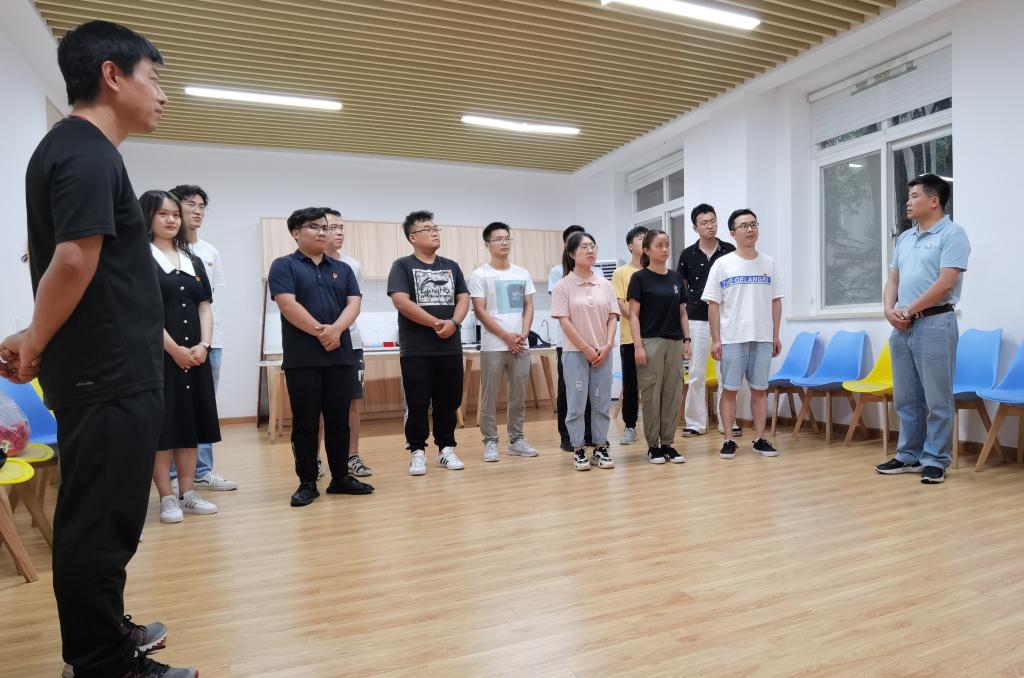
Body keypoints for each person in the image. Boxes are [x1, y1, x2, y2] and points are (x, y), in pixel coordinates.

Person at [0, 20, 198, 677]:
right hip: (107, 374)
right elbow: (71, 261)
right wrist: (35, 340)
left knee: (105, 516)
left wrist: (33, 335)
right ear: (112, 75)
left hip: (107, 369)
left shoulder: (78, 151)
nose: (161, 94)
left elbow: (79, 263)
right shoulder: (86, 151)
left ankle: (105, 631)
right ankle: (100, 661)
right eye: (153, 77)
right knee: (99, 522)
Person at [268, 207, 374, 506]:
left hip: (340, 356)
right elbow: (287, 305)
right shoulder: (284, 265)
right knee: (306, 423)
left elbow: (354, 303)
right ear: (296, 232)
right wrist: (322, 333)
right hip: (303, 358)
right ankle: (307, 482)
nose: (323, 232)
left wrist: (336, 330)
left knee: (339, 420)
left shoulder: (343, 269)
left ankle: (340, 477)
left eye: (325, 227)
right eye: (314, 227)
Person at [876, 174, 969, 485]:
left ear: (934, 201)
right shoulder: (905, 238)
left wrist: (908, 309)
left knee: (937, 399)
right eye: (908, 196)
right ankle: (908, 455)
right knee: (906, 397)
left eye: (914, 196)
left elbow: (946, 283)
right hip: (902, 326)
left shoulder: (952, 234)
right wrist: (889, 310)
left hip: (936, 323)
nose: (908, 201)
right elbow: (893, 280)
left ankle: (936, 459)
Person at [144, 190, 221, 524]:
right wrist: (174, 350)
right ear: (147, 217)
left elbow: (205, 306)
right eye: (163, 214)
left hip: (195, 355)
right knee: (163, 429)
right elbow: (144, 313)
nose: (172, 219)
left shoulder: (193, 259)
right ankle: (166, 497)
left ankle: (188, 493)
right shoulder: (140, 259)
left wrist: (204, 345)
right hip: (159, 357)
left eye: (175, 214)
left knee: (189, 424)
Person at [166, 184, 238, 492]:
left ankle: (203, 470)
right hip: (172, 341)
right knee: (174, 407)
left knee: (205, 405)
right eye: (190, 204)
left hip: (210, 340)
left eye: (202, 206)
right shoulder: (159, 251)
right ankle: (174, 475)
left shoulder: (209, 252)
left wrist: (206, 342)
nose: (197, 211)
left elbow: (207, 301)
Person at [387, 210, 470, 475]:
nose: (435, 233)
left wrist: (453, 323)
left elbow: (463, 298)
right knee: (417, 402)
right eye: (428, 229)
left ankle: (446, 449)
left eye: (436, 229)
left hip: (449, 346)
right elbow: (401, 301)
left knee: (449, 401)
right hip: (416, 349)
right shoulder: (402, 265)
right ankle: (417, 452)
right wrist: (436, 323)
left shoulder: (451, 266)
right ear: (413, 237)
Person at [703, 209, 783, 460]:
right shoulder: (722, 264)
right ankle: (728, 440)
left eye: (753, 224)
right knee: (730, 390)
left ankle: (759, 439)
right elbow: (713, 304)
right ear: (732, 233)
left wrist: (776, 335)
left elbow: (776, 301)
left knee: (759, 390)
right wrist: (716, 339)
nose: (750, 229)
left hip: (762, 337)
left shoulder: (769, 263)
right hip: (732, 338)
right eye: (744, 226)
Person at [468, 222, 538, 461]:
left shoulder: (522, 273)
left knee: (518, 396)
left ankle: (516, 440)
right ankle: (490, 441)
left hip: (520, 345)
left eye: (507, 238)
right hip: (494, 346)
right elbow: (480, 311)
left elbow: (529, 306)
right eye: (498, 239)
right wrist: (506, 336)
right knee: (489, 397)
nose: (504, 242)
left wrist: (524, 333)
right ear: (487, 245)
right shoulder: (480, 275)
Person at [551, 232, 619, 471]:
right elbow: (565, 322)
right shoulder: (563, 286)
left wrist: (607, 345)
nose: (590, 250)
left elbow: (613, 317)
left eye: (593, 246)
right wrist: (586, 348)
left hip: (603, 352)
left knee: (601, 403)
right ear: (572, 253)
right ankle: (578, 449)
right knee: (576, 404)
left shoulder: (605, 284)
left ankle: (600, 447)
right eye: (584, 247)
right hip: (575, 353)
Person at [628, 230, 691, 464]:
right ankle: (653, 445)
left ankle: (667, 443)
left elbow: (682, 313)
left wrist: (687, 340)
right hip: (650, 342)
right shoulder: (639, 278)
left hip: (675, 343)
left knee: (673, 393)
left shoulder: (675, 278)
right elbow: (634, 316)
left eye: (667, 245)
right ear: (646, 250)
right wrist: (638, 346)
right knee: (652, 395)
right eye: (659, 245)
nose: (665, 249)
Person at [677, 204, 738, 438]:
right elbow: (682, 289)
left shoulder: (730, 251)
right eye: (704, 223)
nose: (710, 226)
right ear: (695, 227)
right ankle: (695, 423)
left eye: (713, 221)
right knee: (696, 372)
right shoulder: (687, 255)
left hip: (725, 317)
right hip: (696, 317)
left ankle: (727, 422)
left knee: (727, 373)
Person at [322, 208, 373, 478]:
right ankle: (316, 460)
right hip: (317, 343)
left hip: (350, 342)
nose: (339, 232)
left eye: (341, 227)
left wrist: (338, 330)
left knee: (351, 402)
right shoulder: (304, 265)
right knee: (318, 406)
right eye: (333, 227)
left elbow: (355, 303)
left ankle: (352, 456)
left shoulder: (352, 265)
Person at [548, 224, 592, 451]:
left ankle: (590, 434)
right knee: (568, 391)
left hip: (593, 341)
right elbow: (563, 308)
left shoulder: (597, 273)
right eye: (576, 243)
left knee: (591, 390)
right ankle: (567, 436)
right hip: (567, 342)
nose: (585, 248)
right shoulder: (559, 273)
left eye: (587, 243)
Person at [611, 225, 647, 445]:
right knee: (631, 385)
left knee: (654, 385)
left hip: (654, 337)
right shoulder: (621, 273)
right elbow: (621, 304)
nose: (645, 241)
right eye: (640, 238)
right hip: (629, 338)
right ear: (630, 246)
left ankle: (655, 426)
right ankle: (630, 426)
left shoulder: (656, 270)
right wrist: (641, 319)